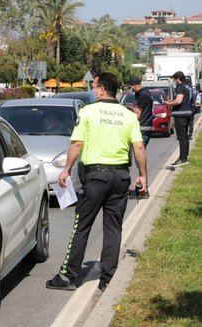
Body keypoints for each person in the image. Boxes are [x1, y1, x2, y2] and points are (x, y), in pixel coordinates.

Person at [46, 72, 147, 293]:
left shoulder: (88, 111)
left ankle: (69, 276)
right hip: (120, 177)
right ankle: (108, 279)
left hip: (95, 178)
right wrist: (143, 175)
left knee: (81, 226)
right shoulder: (128, 115)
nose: (92, 90)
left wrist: (66, 170)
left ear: (102, 89)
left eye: (94, 86)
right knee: (113, 228)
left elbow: (77, 143)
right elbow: (138, 147)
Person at [165, 71, 193, 166]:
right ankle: (184, 157)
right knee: (185, 137)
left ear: (178, 78)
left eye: (174, 79)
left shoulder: (180, 87)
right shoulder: (187, 87)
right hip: (187, 115)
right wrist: (172, 101)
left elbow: (179, 100)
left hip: (180, 116)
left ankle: (183, 159)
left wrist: (170, 103)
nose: (174, 81)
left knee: (182, 138)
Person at [130, 76, 154, 147]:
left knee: (140, 151)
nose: (131, 89)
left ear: (135, 85)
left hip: (142, 128)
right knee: (141, 151)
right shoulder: (144, 93)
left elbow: (137, 113)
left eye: (131, 86)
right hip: (145, 127)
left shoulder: (142, 95)